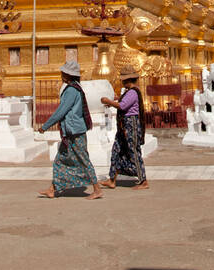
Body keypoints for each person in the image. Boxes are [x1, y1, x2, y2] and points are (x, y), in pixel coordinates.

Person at [38, 61, 102, 199]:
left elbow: (61, 111)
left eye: (63, 73)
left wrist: (45, 126)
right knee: (60, 161)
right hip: (71, 131)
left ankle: (97, 189)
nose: (61, 75)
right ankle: (52, 189)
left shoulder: (71, 91)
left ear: (67, 75)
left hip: (75, 132)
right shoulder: (75, 88)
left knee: (83, 160)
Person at [101, 64, 148, 190]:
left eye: (123, 80)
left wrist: (108, 102)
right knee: (117, 150)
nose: (122, 83)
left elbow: (122, 106)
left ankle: (143, 180)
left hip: (131, 125)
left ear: (128, 80)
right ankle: (112, 179)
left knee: (133, 151)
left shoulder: (133, 92)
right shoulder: (128, 92)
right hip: (124, 126)